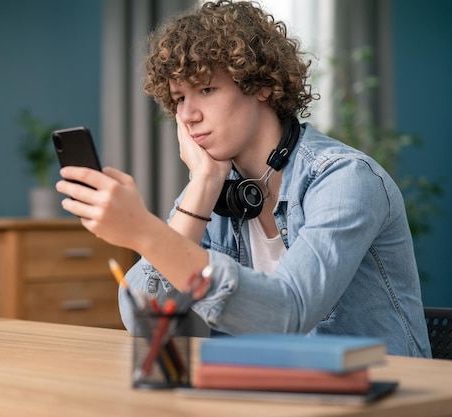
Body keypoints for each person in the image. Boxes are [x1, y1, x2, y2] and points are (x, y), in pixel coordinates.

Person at [55, 0, 431, 357]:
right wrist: (202, 186)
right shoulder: (214, 187)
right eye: (179, 98)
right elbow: (143, 316)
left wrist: (144, 232)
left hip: (381, 397)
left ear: (261, 85)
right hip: (268, 394)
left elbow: (287, 312)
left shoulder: (345, 180)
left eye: (206, 89)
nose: (188, 115)